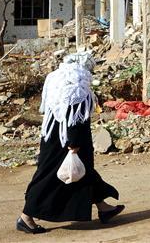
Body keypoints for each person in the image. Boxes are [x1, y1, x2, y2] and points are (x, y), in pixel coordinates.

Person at [17, 51, 124, 234]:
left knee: (84, 173)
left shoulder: (57, 78)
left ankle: (104, 208)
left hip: (52, 136)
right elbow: (74, 116)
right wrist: (74, 144)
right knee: (50, 177)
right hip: (68, 141)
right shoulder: (76, 84)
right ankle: (26, 217)